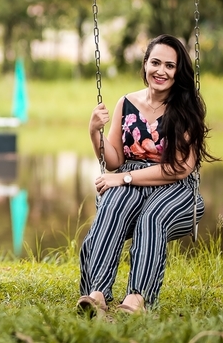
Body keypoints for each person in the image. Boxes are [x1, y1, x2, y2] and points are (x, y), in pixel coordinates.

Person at [78, 35, 213, 315]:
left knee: (152, 217)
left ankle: (137, 299)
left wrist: (124, 179)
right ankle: (98, 293)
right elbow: (113, 159)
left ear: (178, 72)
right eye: (155, 62)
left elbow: (178, 168)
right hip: (131, 185)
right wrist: (94, 132)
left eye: (170, 65)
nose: (161, 71)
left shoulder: (186, 109)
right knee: (112, 206)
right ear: (145, 64)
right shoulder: (126, 103)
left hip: (175, 188)